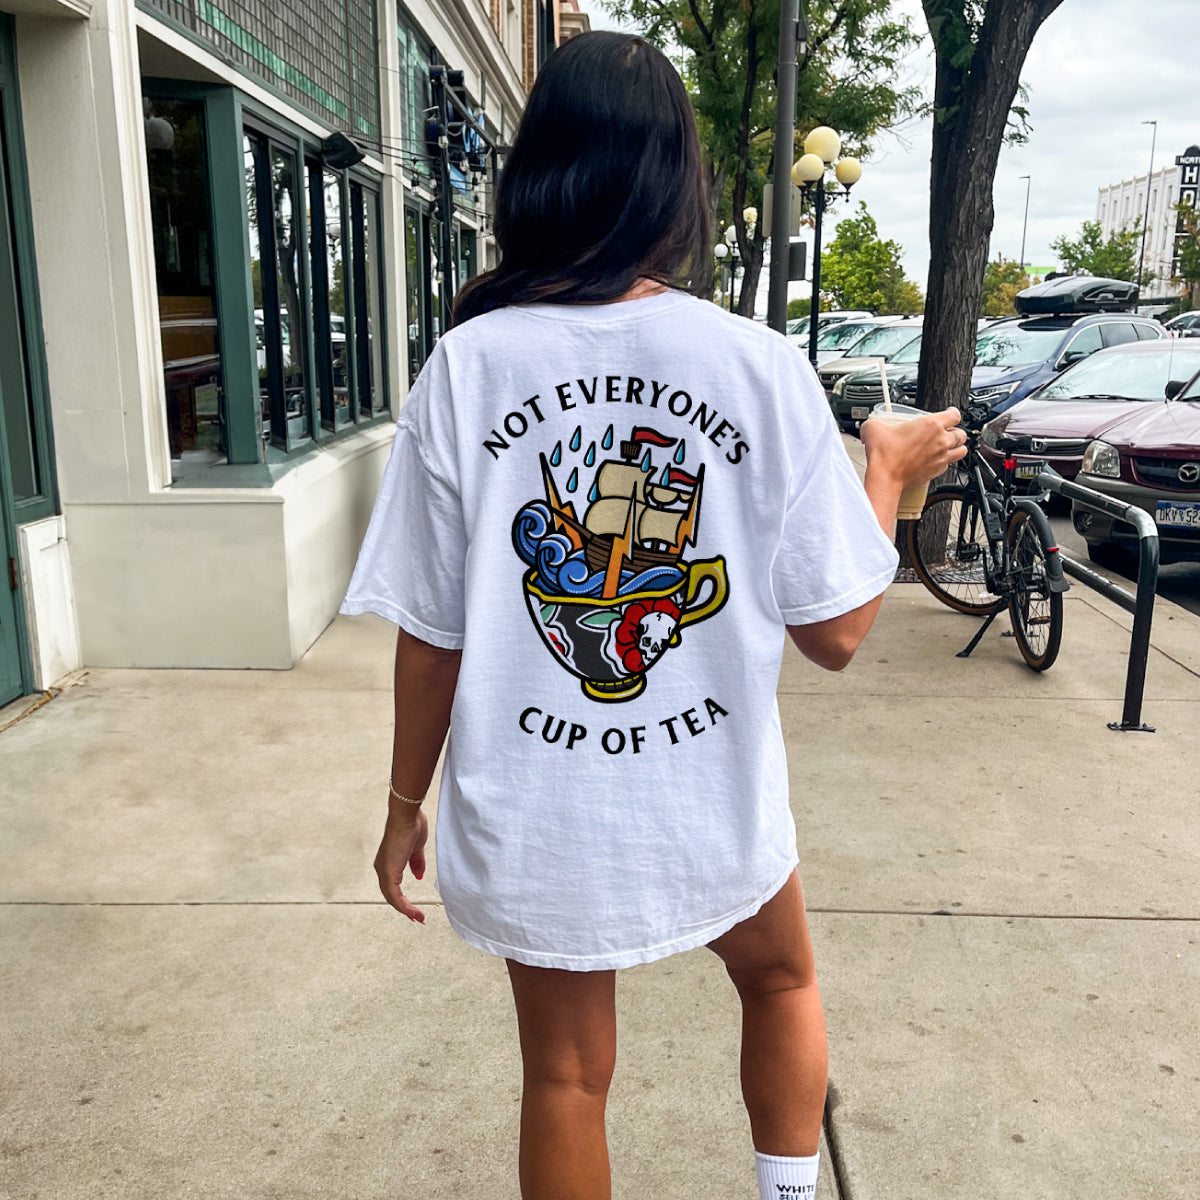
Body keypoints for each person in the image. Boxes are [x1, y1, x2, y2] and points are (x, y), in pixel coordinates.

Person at [340, 30, 966, 1200]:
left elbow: (433, 632)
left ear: (540, 173)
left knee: (566, 1077)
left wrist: (400, 807)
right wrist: (884, 471)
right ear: (680, 182)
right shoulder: (757, 366)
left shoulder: (466, 366)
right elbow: (838, 632)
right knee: (781, 981)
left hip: (535, 810)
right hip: (708, 800)